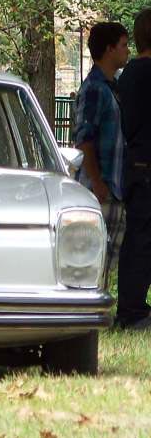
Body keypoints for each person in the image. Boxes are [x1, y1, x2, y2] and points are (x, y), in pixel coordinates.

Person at [74, 20, 130, 295]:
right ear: (109, 50)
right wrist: (97, 183)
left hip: (114, 187)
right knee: (94, 255)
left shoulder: (112, 87)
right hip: (101, 188)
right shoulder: (94, 88)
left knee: (108, 257)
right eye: (123, 45)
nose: (127, 51)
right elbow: (84, 138)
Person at [116, 9, 151, 330]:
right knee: (141, 240)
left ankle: (133, 306)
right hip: (146, 165)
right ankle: (133, 310)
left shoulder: (128, 75)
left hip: (135, 161)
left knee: (138, 237)